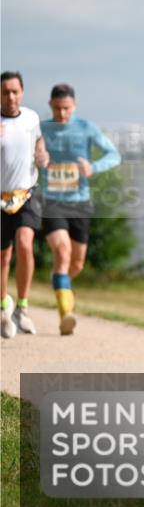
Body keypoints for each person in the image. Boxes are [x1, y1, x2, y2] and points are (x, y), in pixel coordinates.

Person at [40, 83, 121, 335]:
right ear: (50, 106)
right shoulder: (40, 129)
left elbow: (113, 155)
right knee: (62, 251)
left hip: (80, 202)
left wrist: (93, 167)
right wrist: (37, 159)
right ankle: (66, 314)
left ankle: (62, 285)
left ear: (74, 106)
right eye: (57, 109)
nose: (62, 114)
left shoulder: (86, 128)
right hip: (51, 201)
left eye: (66, 109)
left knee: (75, 264)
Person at [1, 71, 48, 339]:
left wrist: (42, 153)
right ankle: (2, 307)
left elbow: (38, 141)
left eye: (15, 91)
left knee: (25, 243)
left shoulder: (31, 118)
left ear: (22, 92)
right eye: (5, 92)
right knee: (3, 256)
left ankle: (23, 307)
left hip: (27, 194)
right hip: (0, 197)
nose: (10, 96)